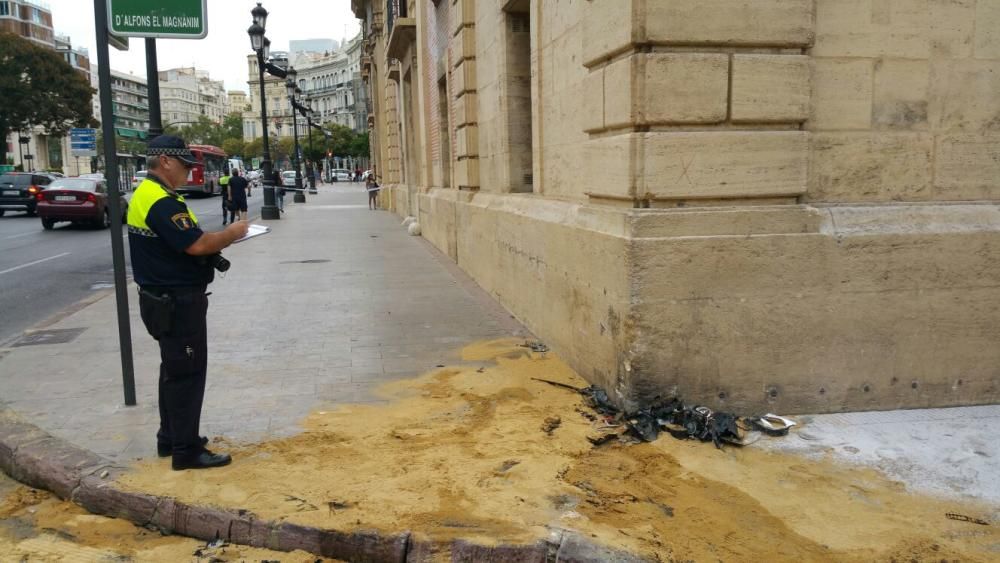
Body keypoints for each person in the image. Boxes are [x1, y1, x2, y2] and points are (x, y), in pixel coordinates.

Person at [128, 135, 248, 471]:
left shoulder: (148, 194)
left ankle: (170, 438)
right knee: (187, 374)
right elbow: (195, 245)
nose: (188, 171)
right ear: (165, 161)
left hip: (160, 299)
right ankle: (186, 450)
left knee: (173, 369)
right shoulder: (161, 201)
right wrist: (234, 233)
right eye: (185, 165)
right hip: (177, 302)